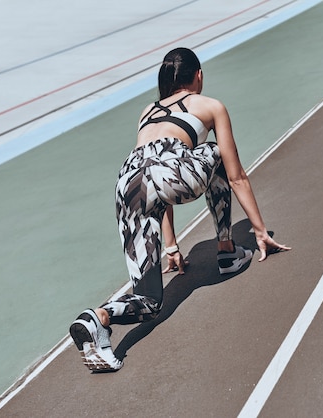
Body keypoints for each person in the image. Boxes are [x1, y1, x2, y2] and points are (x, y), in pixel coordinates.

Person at [69, 47, 290, 372]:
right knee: (215, 151)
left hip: (128, 182)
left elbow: (153, 182)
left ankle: (98, 318)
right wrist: (260, 230)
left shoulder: (147, 110)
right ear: (198, 76)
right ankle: (227, 250)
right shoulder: (211, 105)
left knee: (149, 301)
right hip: (171, 171)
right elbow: (236, 175)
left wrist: (170, 246)